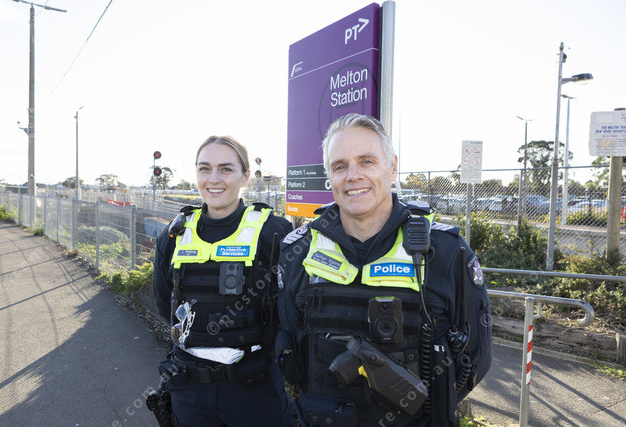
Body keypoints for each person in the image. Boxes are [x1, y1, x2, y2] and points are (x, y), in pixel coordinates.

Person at [276, 114, 492, 426]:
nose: (353, 175)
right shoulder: (297, 251)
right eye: (340, 166)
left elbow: (475, 360)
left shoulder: (446, 252)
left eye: (366, 161)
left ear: (392, 167)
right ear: (329, 176)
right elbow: (290, 344)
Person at [152, 135, 293, 426]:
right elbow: (165, 304)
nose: (213, 179)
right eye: (204, 168)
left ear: (245, 176)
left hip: (255, 392)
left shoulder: (274, 232)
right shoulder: (174, 234)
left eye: (226, 169)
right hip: (189, 391)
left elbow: (293, 310)